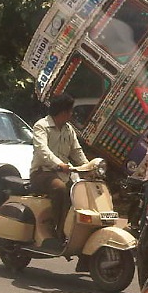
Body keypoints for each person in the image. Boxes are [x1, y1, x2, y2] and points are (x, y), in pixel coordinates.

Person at [30, 93, 88, 242]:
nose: (71, 114)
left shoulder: (68, 129)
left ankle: (72, 229)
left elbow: (77, 151)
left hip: (63, 174)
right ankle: (56, 228)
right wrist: (59, 164)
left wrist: (90, 168)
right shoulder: (41, 126)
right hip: (42, 173)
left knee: (79, 192)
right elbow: (42, 150)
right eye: (70, 111)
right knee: (60, 188)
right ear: (63, 112)